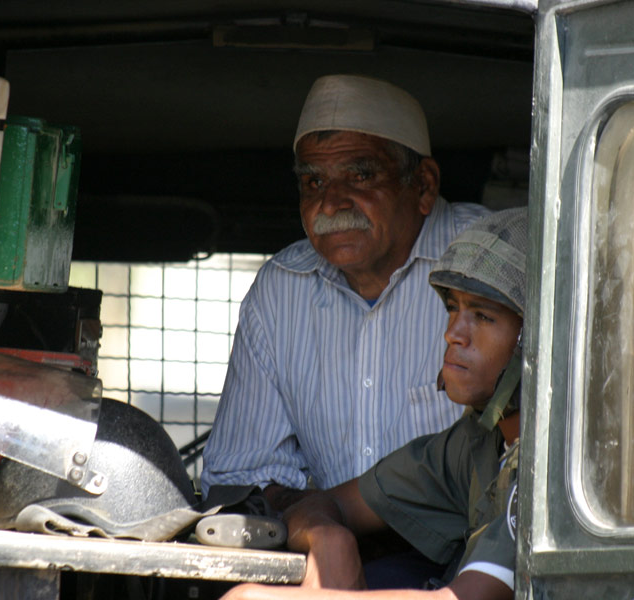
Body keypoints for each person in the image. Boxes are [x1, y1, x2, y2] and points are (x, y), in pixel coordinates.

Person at [201, 74, 489, 510]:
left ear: (424, 186)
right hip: (332, 556)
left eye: (360, 175)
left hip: (476, 561)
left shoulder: (492, 263)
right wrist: (317, 527)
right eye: (313, 183)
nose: (331, 203)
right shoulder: (280, 293)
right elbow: (240, 478)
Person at [221, 207, 528, 600]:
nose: (454, 333)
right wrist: (328, 536)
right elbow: (332, 503)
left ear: (534, 339)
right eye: (453, 308)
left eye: (483, 316)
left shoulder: (552, 468)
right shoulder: (476, 446)